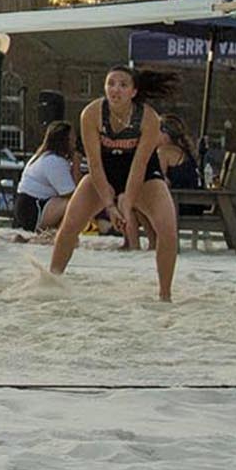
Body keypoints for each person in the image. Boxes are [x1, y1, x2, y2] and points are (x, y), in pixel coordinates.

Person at [49, 66, 180, 301]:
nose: (115, 90)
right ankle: (52, 280)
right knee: (70, 224)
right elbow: (95, 165)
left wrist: (127, 205)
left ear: (133, 91)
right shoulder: (91, 114)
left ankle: (165, 294)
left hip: (144, 176)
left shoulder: (148, 118)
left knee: (168, 230)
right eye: (111, 84)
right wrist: (110, 206)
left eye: (122, 85)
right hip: (104, 173)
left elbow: (139, 166)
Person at [13, 121, 79, 233]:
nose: (75, 142)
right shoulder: (54, 161)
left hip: (26, 205)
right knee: (74, 204)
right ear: (64, 140)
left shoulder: (42, 156)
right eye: (72, 138)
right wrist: (76, 166)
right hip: (33, 208)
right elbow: (73, 194)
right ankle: (62, 234)